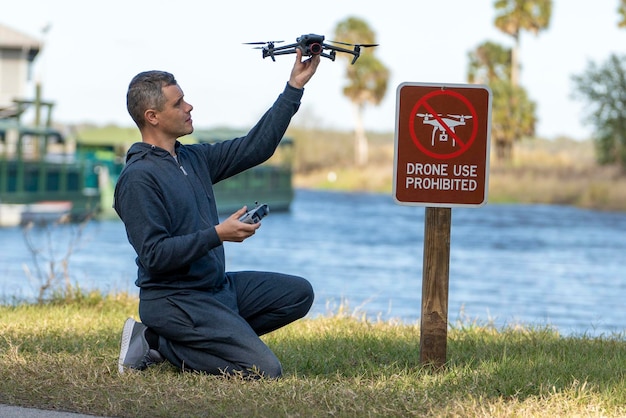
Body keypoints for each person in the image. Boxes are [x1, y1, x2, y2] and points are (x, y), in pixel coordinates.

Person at [114, 49, 320, 378]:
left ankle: (213, 334)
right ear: (152, 116)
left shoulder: (194, 159)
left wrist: (294, 86)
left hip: (216, 288)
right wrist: (217, 234)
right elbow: (154, 255)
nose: (189, 106)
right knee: (265, 370)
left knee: (298, 294)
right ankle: (158, 342)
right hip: (175, 300)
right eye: (178, 103)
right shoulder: (138, 178)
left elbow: (256, 146)